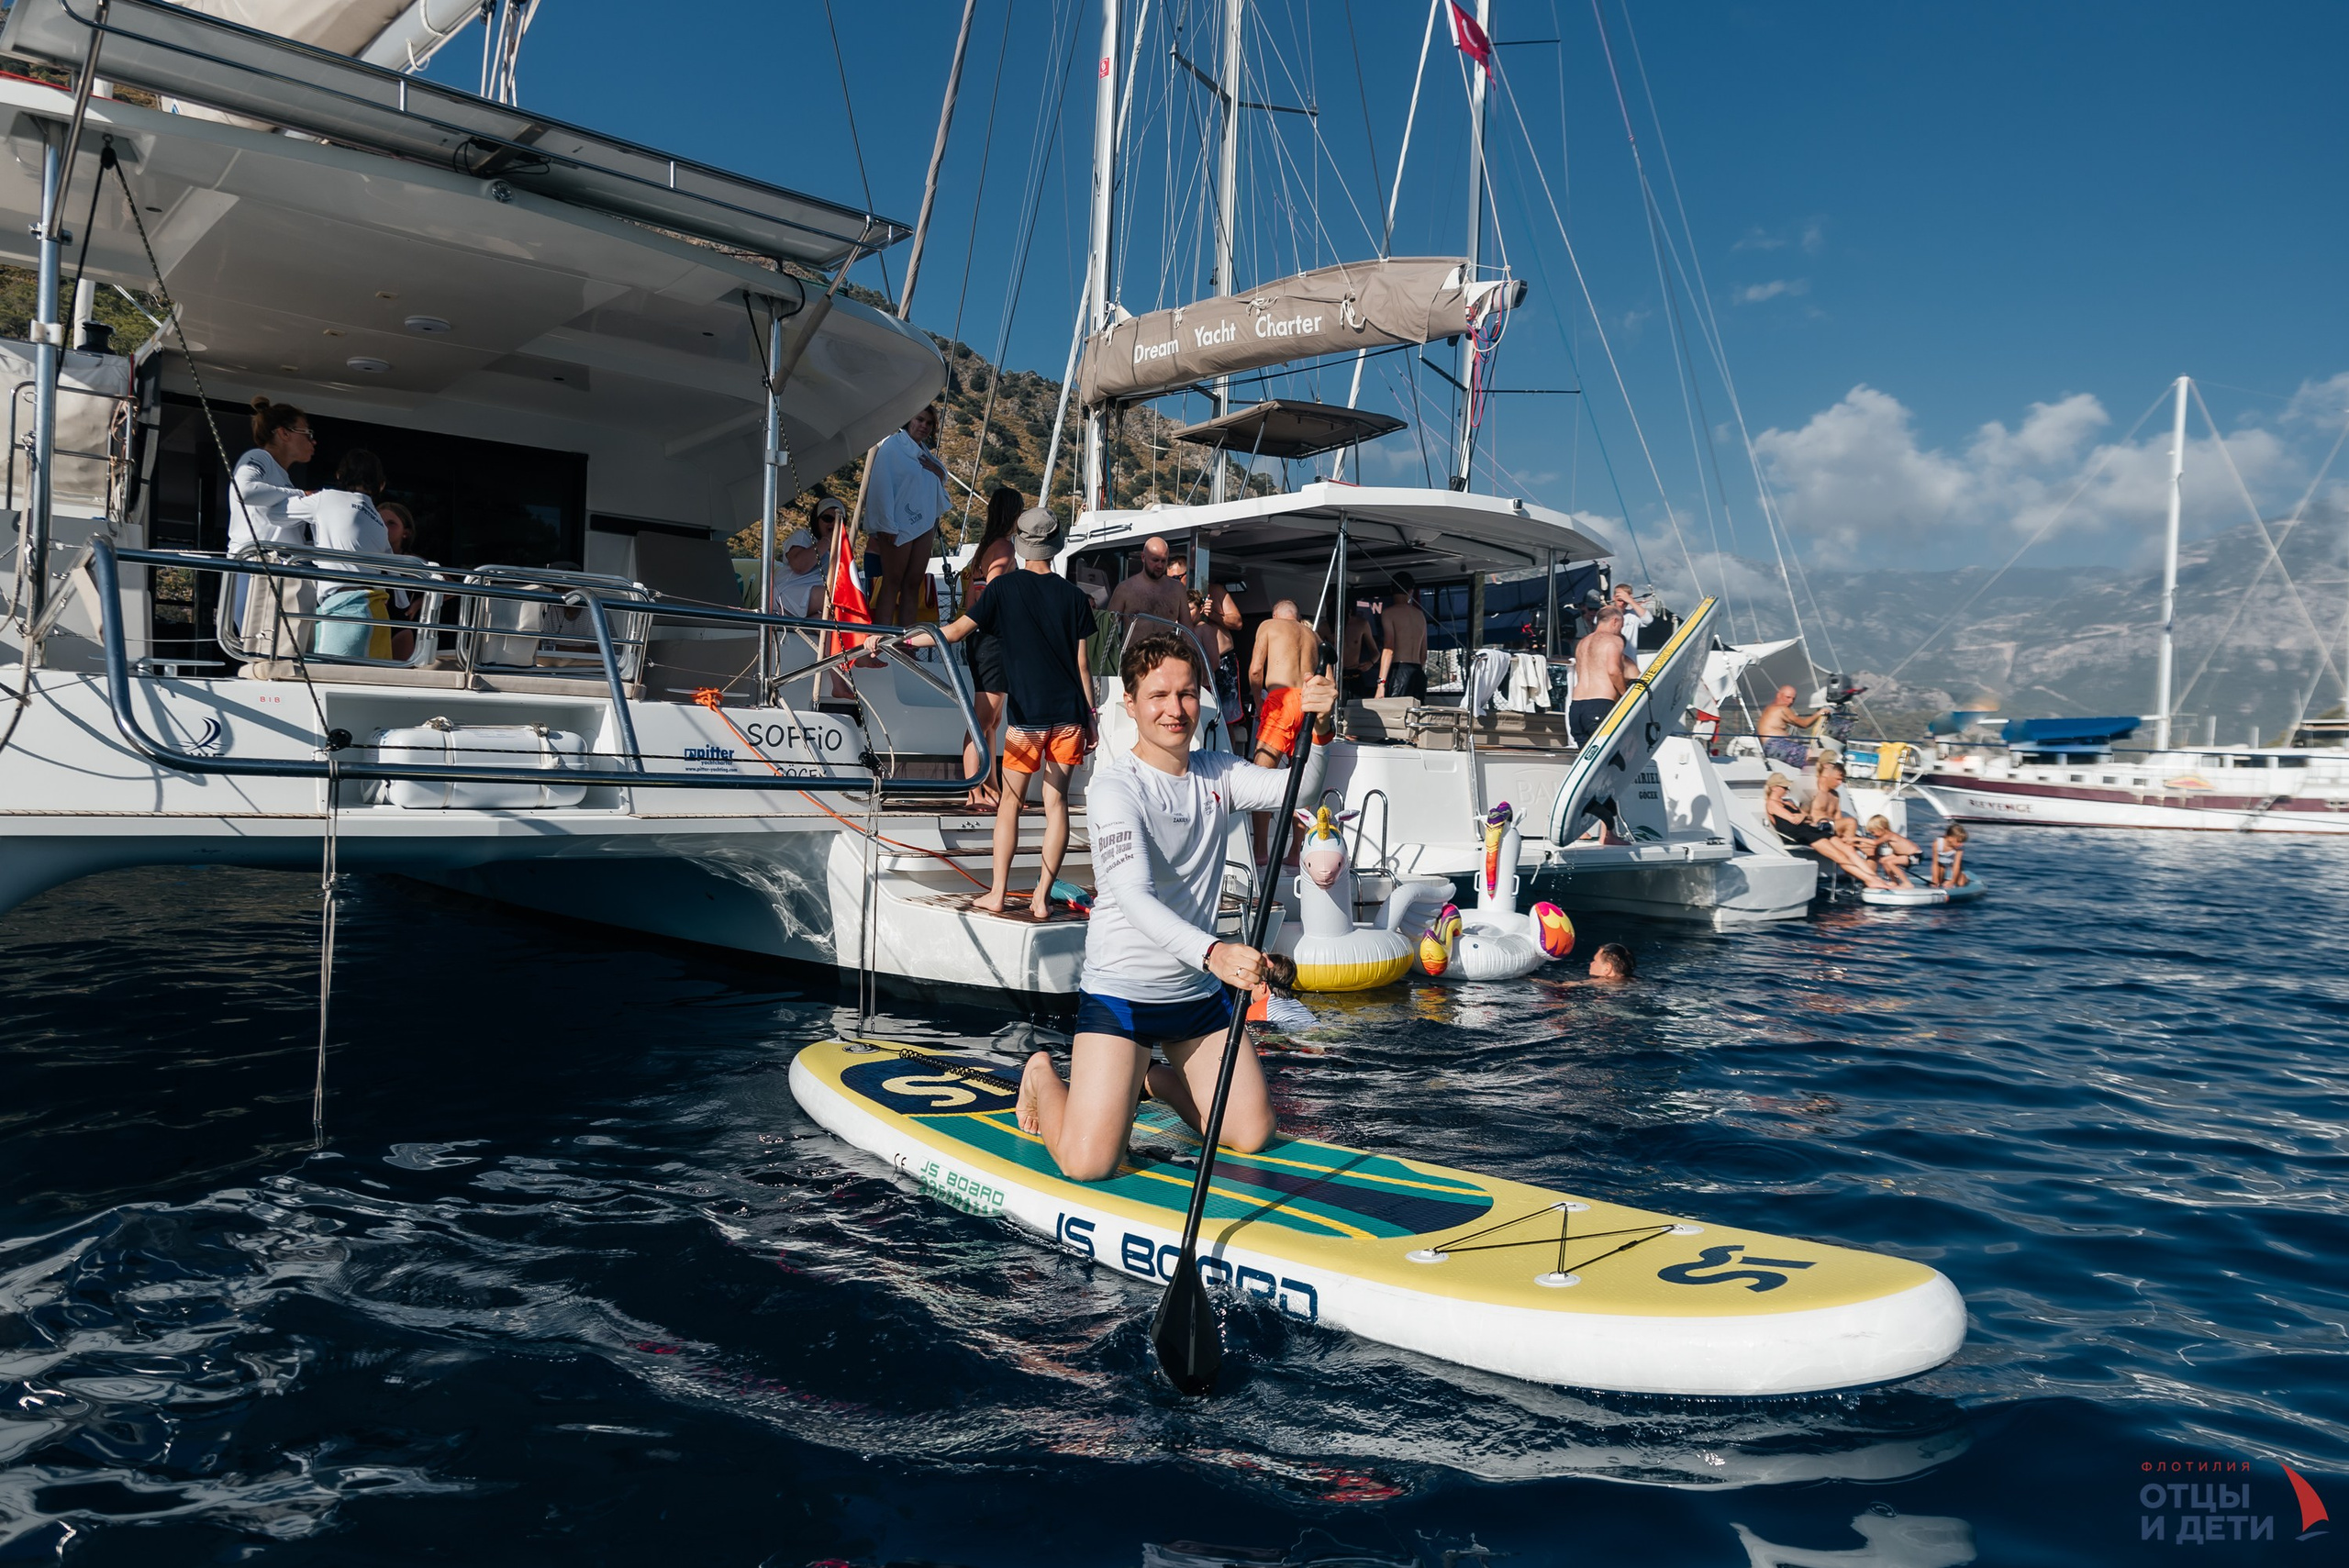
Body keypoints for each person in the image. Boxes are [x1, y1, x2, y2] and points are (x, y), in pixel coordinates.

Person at [1015, 631, 1336, 1181]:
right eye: (1158, 695)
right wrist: (1213, 952)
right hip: (1125, 997)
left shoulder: (1218, 772)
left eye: (1187, 694)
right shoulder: (1117, 789)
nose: (1175, 709)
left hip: (1194, 997)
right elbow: (1136, 899)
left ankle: (1154, 1080)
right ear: (1131, 704)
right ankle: (1042, 1074)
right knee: (1088, 1166)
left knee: (1252, 1135)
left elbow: (1298, 792)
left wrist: (1322, 729)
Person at [909, 507, 1096, 921]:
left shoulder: (1003, 589)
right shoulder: (1074, 597)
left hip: (1028, 716)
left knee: (1010, 802)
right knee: (1057, 804)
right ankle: (1042, 899)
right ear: (1057, 544)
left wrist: (906, 642)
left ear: (1021, 544)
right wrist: (1092, 717)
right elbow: (1083, 665)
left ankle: (997, 894)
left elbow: (954, 632)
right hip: (1069, 714)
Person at [954, 487, 1024, 808]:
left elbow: (973, 598)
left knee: (991, 722)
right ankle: (974, 792)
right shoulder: (1005, 549)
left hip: (978, 638)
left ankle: (991, 786)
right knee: (982, 720)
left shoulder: (983, 548)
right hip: (994, 641)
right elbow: (996, 591)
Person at [863, 404, 951, 628]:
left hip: (924, 525)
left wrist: (939, 471)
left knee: (913, 584)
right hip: (897, 525)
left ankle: (906, 644)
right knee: (892, 583)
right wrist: (886, 525)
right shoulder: (892, 447)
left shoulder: (924, 454)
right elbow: (881, 488)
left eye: (929, 423)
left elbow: (939, 478)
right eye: (919, 420)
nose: (924, 426)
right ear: (908, 420)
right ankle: (883, 640)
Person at [306, 449, 394, 660]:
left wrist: (302, 495)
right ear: (380, 484)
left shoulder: (325, 499)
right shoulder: (379, 523)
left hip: (344, 610)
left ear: (338, 476)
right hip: (378, 613)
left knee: (321, 679)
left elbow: (275, 511)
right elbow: (393, 568)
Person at [1763, 773, 1892, 888]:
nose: (1787, 790)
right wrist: (1802, 816)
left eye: (1787, 787)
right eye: (1784, 787)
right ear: (1774, 787)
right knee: (1840, 857)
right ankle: (1869, 881)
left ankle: (1874, 877)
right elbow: (1793, 819)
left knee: (1849, 849)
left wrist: (1802, 816)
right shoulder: (1772, 804)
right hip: (1801, 834)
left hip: (1810, 829)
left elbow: (1808, 817)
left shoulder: (1788, 802)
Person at [1566, 607, 1630, 745]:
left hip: (1577, 708)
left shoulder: (1582, 643)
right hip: (1599, 705)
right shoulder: (1613, 640)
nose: (1620, 630)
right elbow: (1613, 670)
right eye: (1621, 626)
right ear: (1615, 621)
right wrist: (1625, 695)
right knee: (1609, 757)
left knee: (1585, 759)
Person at [1105, 535, 1190, 632]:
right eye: (1155, 560)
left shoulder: (1177, 589)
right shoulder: (1125, 589)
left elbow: (1187, 630)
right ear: (1143, 557)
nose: (1160, 565)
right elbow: (1108, 628)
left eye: (1163, 561)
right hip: (1135, 647)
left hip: (1166, 646)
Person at [1196, 578, 1246, 728]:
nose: (1174, 580)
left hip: (1223, 663)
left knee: (1226, 719)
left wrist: (1213, 615)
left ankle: (1228, 751)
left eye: (1178, 577)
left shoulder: (1215, 591)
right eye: (1171, 577)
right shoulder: (1173, 594)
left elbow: (1237, 622)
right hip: (1195, 666)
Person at [379, 500, 423, 662]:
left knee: (398, 680)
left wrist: (419, 603)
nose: (384, 527)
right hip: (370, 624)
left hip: (399, 628)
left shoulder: (411, 562)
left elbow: (450, 588)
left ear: (406, 533)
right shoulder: (366, 556)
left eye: (391, 523)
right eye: (379, 521)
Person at [1375, 575, 1428, 699]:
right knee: (1416, 715)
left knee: (1395, 714)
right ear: (1411, 591)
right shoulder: (1420, 615)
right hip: (1417, 671)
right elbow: (1423, 654)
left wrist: (1381, 684)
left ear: (1391, 590)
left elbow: (1389, 648)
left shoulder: (1389, 613)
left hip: (1399, 671)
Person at [1758, 684, 1823, 769]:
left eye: (1793, 699)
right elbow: (1804, 724)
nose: (1791, 701)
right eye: (1788, 697)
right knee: (1813, 756)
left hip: (1769, 748)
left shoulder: (1769, 708)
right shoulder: (1782, 709)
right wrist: (1819, 713)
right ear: (1779, 695)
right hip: (1776, 745)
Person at [1863, 814, 1920, 884]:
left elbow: (1874, 842)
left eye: (1873, 832)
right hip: (1904, 855)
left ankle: (1907, 883)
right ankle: (1894, 881)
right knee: (1883, 860)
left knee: (1890, 863)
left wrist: (1855, 838)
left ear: (1881, 828)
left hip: (1915, 856)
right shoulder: (1886, 836)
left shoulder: (1889, 835)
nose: (1873, 835)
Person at [1341, 601, 1381, 701]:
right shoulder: (1325, 626)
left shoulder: (1361, 624)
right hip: (1335, 674)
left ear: (1350, 611)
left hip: (1355, 673)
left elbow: (1376, 652)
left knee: (1356, 708)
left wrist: (1370, 663)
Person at [1609, 583, 1653, 663]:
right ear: (1614, 598)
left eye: (1625, 601)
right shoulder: (1605, 615)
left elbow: (1648, 620)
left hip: (1629, 664)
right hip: (1610, 662)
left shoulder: (1633, 615)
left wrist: (1631, 601)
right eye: (1619, 600)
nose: (1622, 603)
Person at [1931, 822, 1970, 888]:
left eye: (1962, 842)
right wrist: (1935, 879)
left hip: (1952, 865)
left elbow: (1956, 866)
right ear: (1950, 838)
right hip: (1941, 865)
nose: (1961, 844)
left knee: (1961, 883)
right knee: (1938, 881)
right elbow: (1935, 863)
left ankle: (1965, 877)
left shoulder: (1959, 849)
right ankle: (1942, 880)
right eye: (1959, 841)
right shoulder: (1938, 843)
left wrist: (1953, 881)